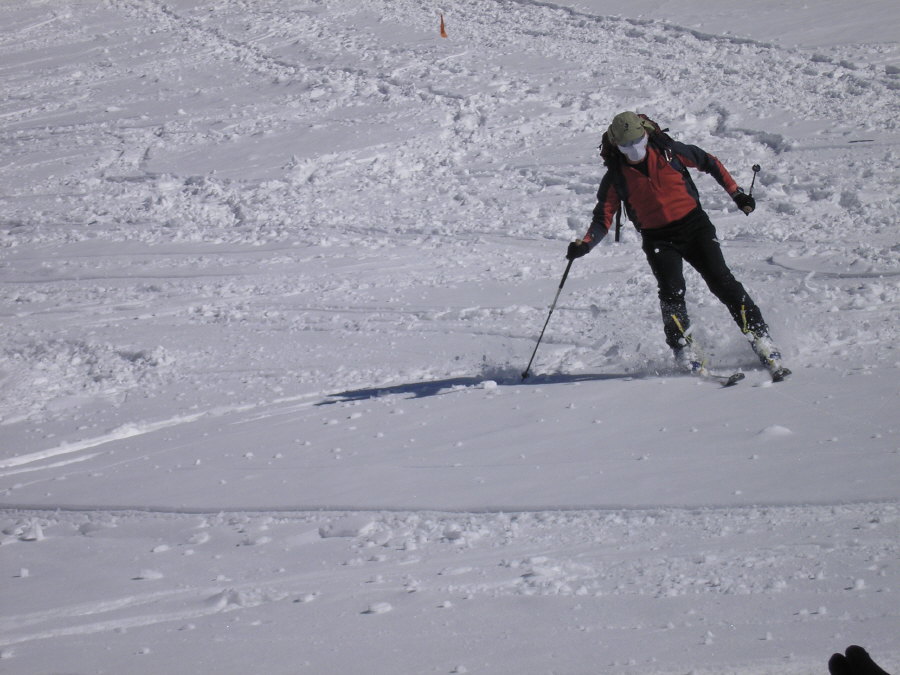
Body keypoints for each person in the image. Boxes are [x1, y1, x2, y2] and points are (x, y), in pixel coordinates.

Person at [566, 110, 789, 380]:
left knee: (722, 281)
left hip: (695, 227)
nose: (634, 149)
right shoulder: (616, 177)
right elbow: (603, 217)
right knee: (672, 293)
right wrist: (585, 245)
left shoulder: (669, 152)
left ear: (646, 134)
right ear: (616, 145)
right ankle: (684, 349)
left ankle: (760, 337)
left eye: (638, 142)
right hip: (658, 238)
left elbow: (710, 162)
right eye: (626, 146)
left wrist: (737, 194)